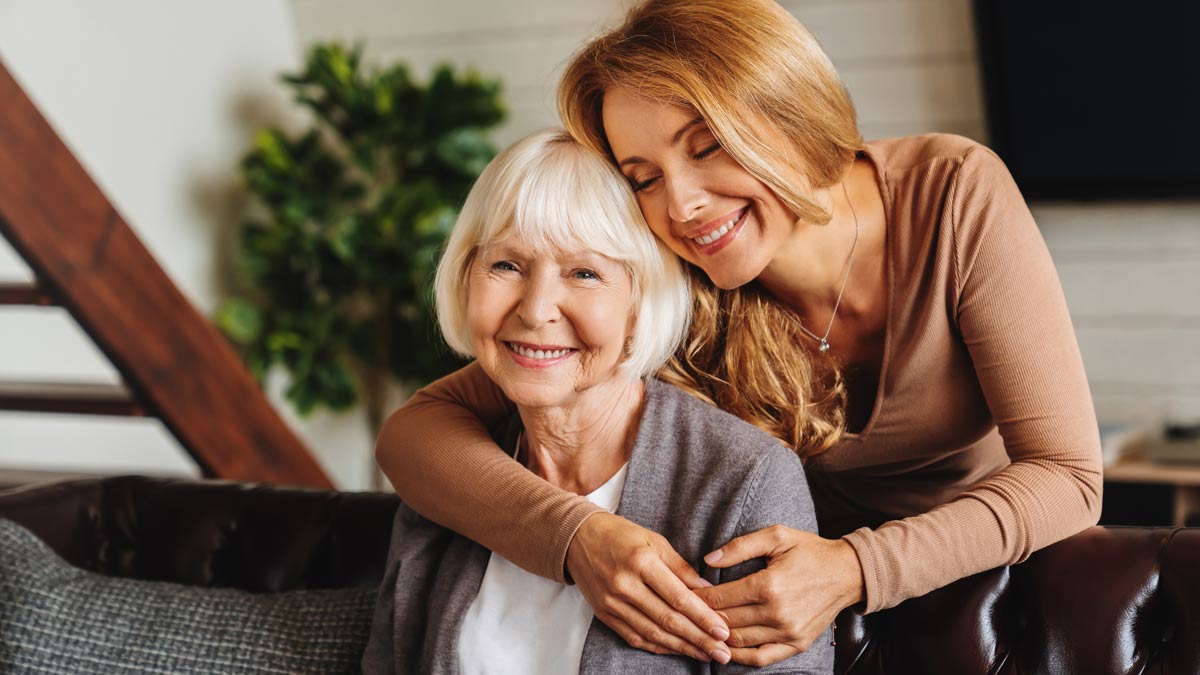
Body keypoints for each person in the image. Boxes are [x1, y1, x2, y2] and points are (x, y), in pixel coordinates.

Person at [375, 0, 1103, 667]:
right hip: (783, 612)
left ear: (786, 108)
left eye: (706, 145)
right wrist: (576, 537)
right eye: (643, 177)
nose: (682, 205)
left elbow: (1068, 476)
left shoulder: (952, 193)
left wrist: (853, 568)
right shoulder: (679, 275)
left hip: (984, 585)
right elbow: (417, 434)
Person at [362, 128, 833, 673]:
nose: (536, 310)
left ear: (641, 300)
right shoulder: (450, 477)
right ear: (466, 277)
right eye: (506, 266)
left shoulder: (743, 481)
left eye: (584, 273)